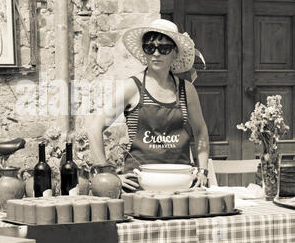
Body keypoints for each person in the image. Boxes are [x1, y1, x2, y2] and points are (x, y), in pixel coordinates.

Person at [88, 19, 210, 192]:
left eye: (164, 48)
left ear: (174, 53)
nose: (156, 53)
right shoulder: (132, 88)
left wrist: (202, 171)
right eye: (150, 47)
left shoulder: (186, 90)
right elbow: (94, 128)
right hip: (140, 186)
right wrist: (106, 174)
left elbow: (201, 131)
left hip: (180, 185)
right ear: (144, 52)